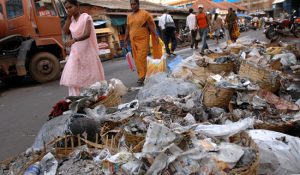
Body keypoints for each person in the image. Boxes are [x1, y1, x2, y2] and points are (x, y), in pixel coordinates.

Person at [60, 0, 105, 96]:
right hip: (75, 52)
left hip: (87, 51)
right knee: (72, 76)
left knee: (92, 77)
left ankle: (95, 97)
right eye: (67, 8)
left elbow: (87, 34)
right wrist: (68, 18)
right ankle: (75, 98)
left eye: (70, 7)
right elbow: (65, 31)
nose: (69, 10)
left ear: (77, 6)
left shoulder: (86, 18)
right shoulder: (71, 20)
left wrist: (74, 40)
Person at [124, 0, 161, 86]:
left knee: (141, 57)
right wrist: (125, 40)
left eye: (134, 4)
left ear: (138, 4)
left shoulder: (145, 14)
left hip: (143, 39)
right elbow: (127, 28)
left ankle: (143, 76)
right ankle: (142, 75)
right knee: (136, 59)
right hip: (133, 40)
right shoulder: (129, 16)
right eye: (131, 4)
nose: (132, 6)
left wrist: (156, 35)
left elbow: (151, 25)